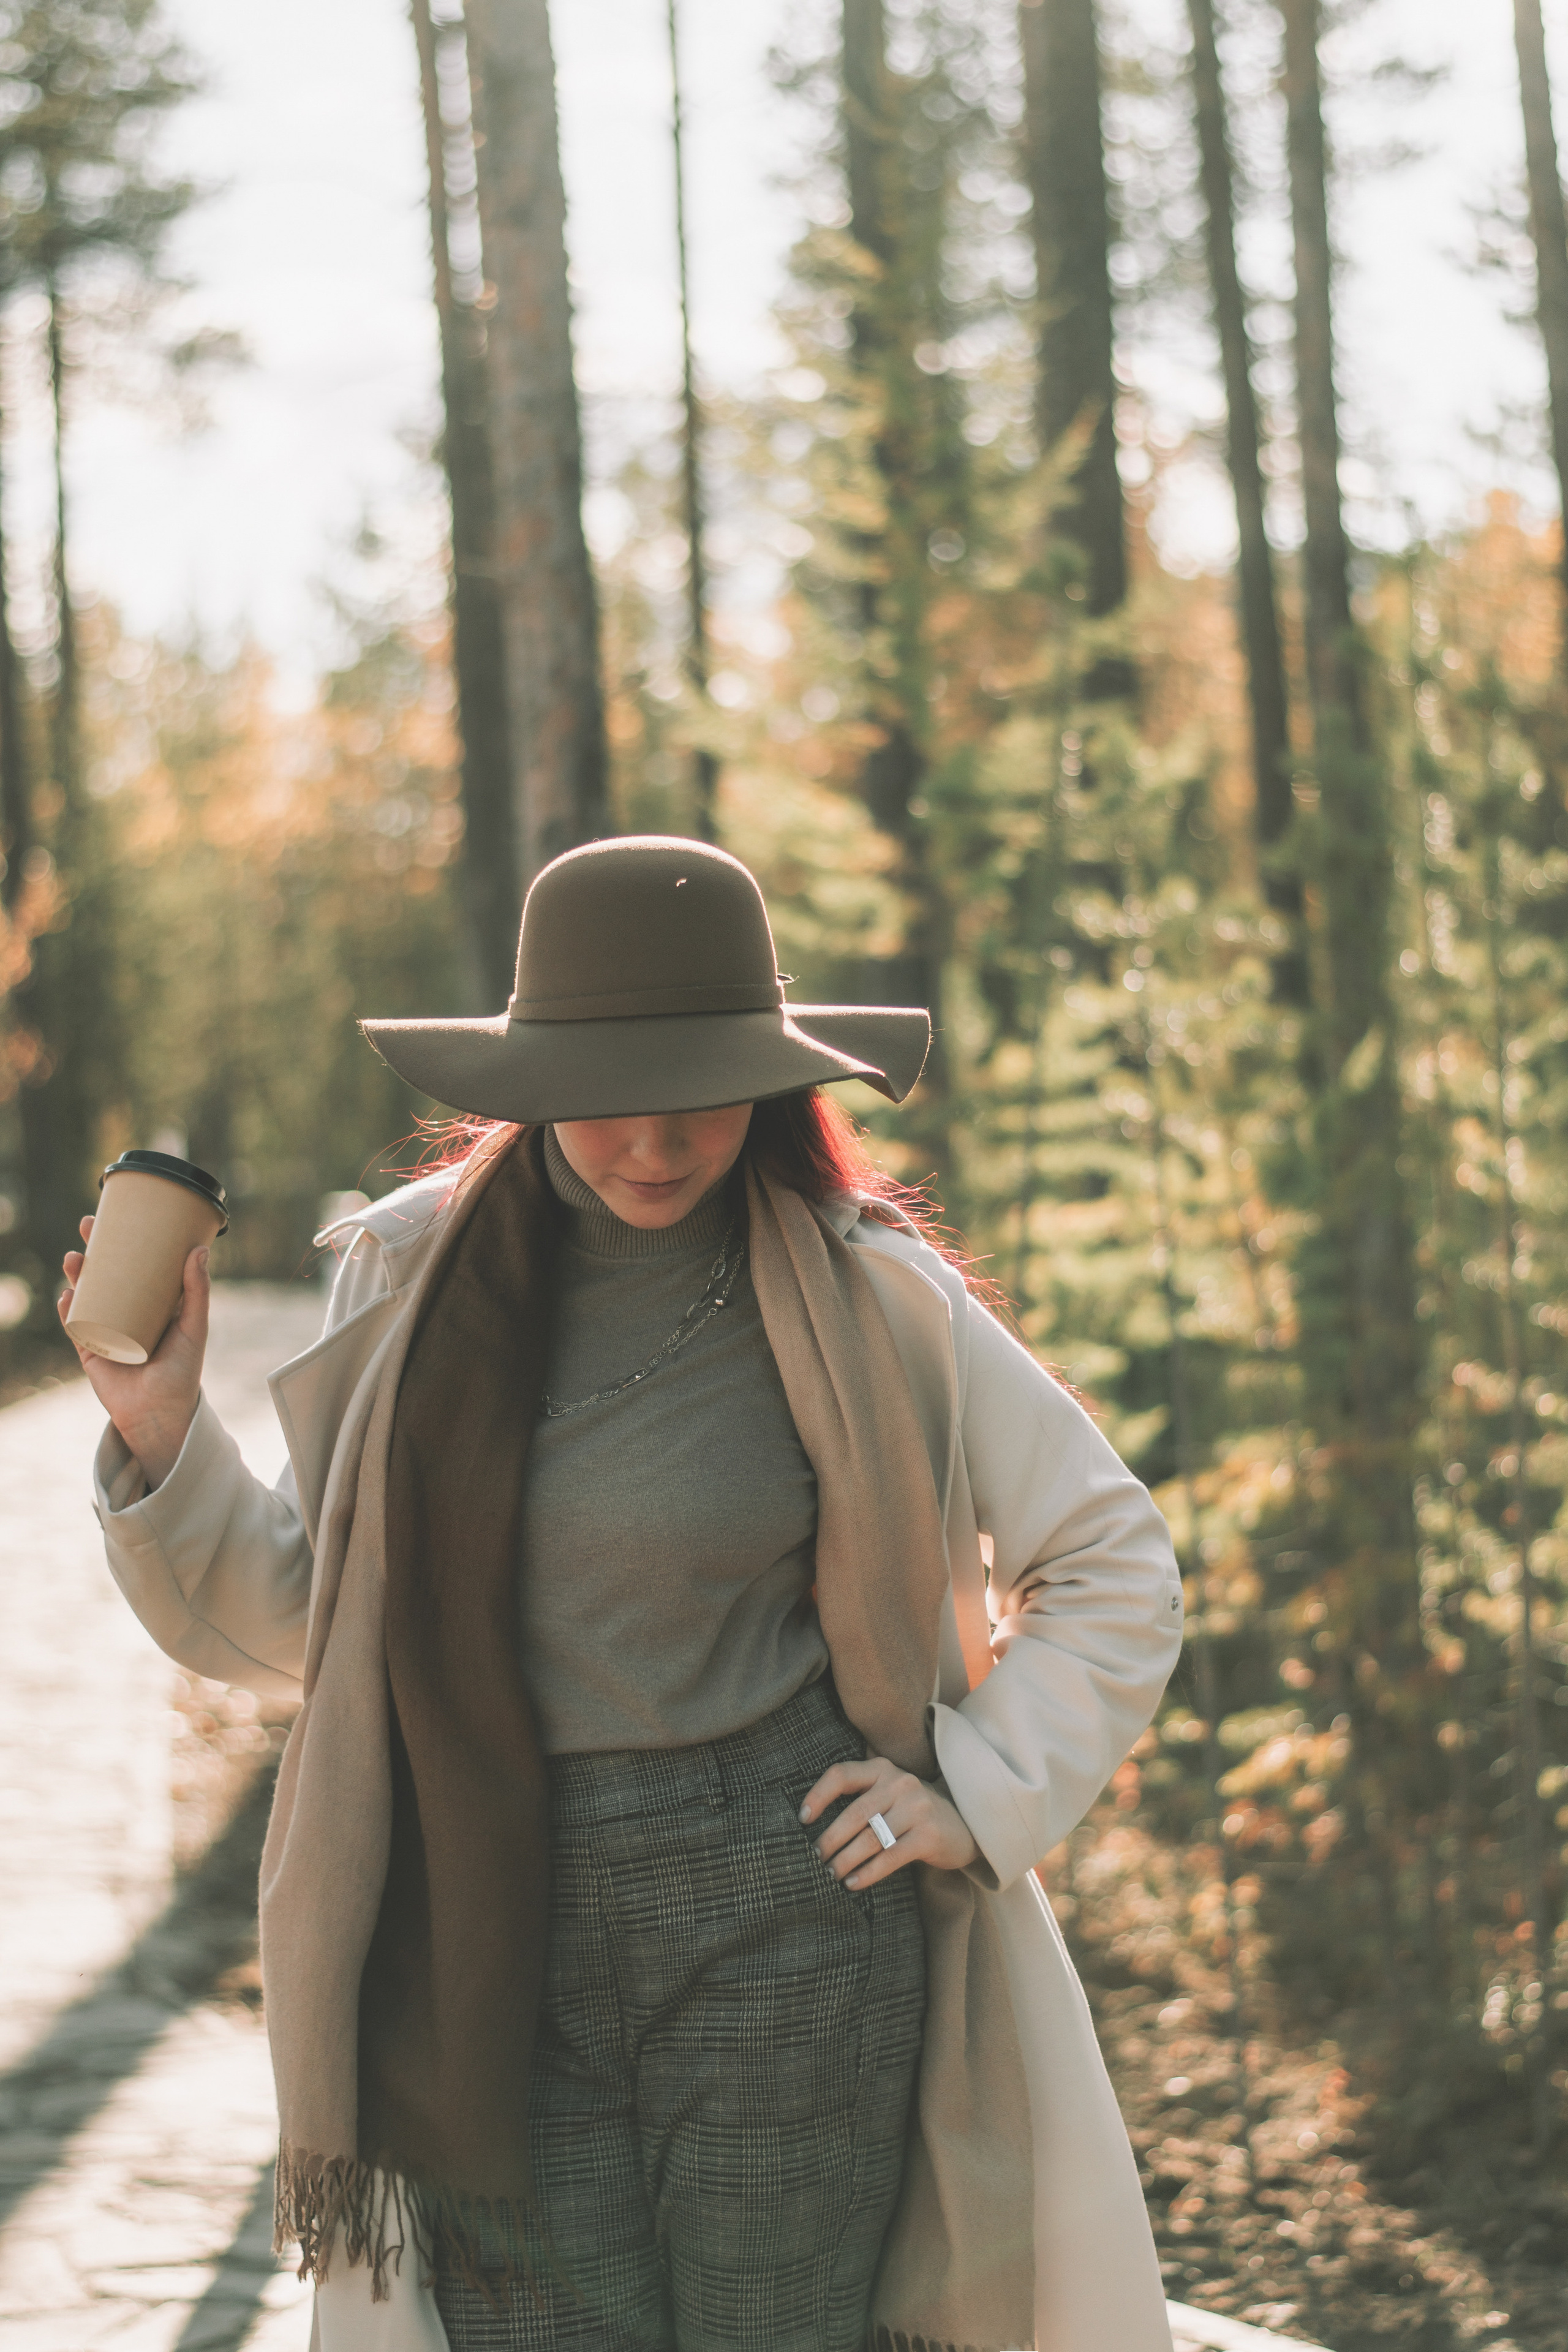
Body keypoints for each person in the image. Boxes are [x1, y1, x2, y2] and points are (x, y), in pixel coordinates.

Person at [70, 837, 1185, 2352]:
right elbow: (315, 1628)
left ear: (770, 1083)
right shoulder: (406, 1283)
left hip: (785, 1911)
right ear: (524, 1088)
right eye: (607, 1097)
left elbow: (1108, 1560)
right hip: (484, 1926)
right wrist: (159, 1436)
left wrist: (971, 1790)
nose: (654, 1144)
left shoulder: (867, 1287)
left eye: (702, 1093)